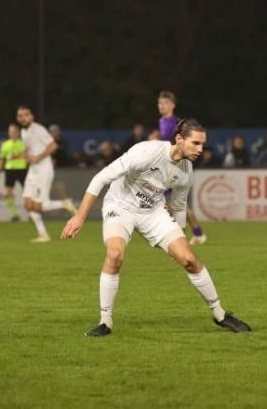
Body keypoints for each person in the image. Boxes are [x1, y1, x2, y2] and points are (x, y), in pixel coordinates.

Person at [60, 118, 251, 336]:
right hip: (120, 206)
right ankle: (105, 321)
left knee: (189, 259)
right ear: (179, 139)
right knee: (115, 255)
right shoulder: (146, 152)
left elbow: (178, 208)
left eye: (202, 144)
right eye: (195, 143)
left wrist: (178, 238)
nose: (200, 149)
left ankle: (220, 314)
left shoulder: (186, 172)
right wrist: (79, 217)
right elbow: (100, 178)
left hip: (153, 212)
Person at [17, 106, 77, 242]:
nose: (23, 117)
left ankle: (65, 203)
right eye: (20, 115)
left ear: (31, 116)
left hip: (44, 169)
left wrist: (38, 157)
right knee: (28, 203)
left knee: (40, 204)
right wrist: (23, 155)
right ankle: (43, 235)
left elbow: (53, 146)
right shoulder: (23, 132)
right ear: (18, 118)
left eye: (26, 115)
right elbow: (29, 149)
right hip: (33, 170)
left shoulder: (38, 129)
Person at [156, 90, 207, 245]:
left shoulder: (176, 123)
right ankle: (197, 234)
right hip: (168, 165)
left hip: (176, 165)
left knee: (167, 202)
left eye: (165, 103)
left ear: (173, 105)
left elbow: (178, 143)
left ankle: (177, 236)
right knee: (178, 203)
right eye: (159, 103)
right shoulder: (162, 121)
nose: (161, 106)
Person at [0, 124, 28, 222]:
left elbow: (26, 154)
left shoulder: (23, 143)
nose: (13, 133)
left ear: (18, 133)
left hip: (22, 169)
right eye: (11, 132)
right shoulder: (5, 144)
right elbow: (1, 158)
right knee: (7, 193)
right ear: (8, 133)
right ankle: (15, 214)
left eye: (14, 132)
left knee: (28, 194)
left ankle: (32, 214)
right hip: (10, 170)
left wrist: (15, 156)